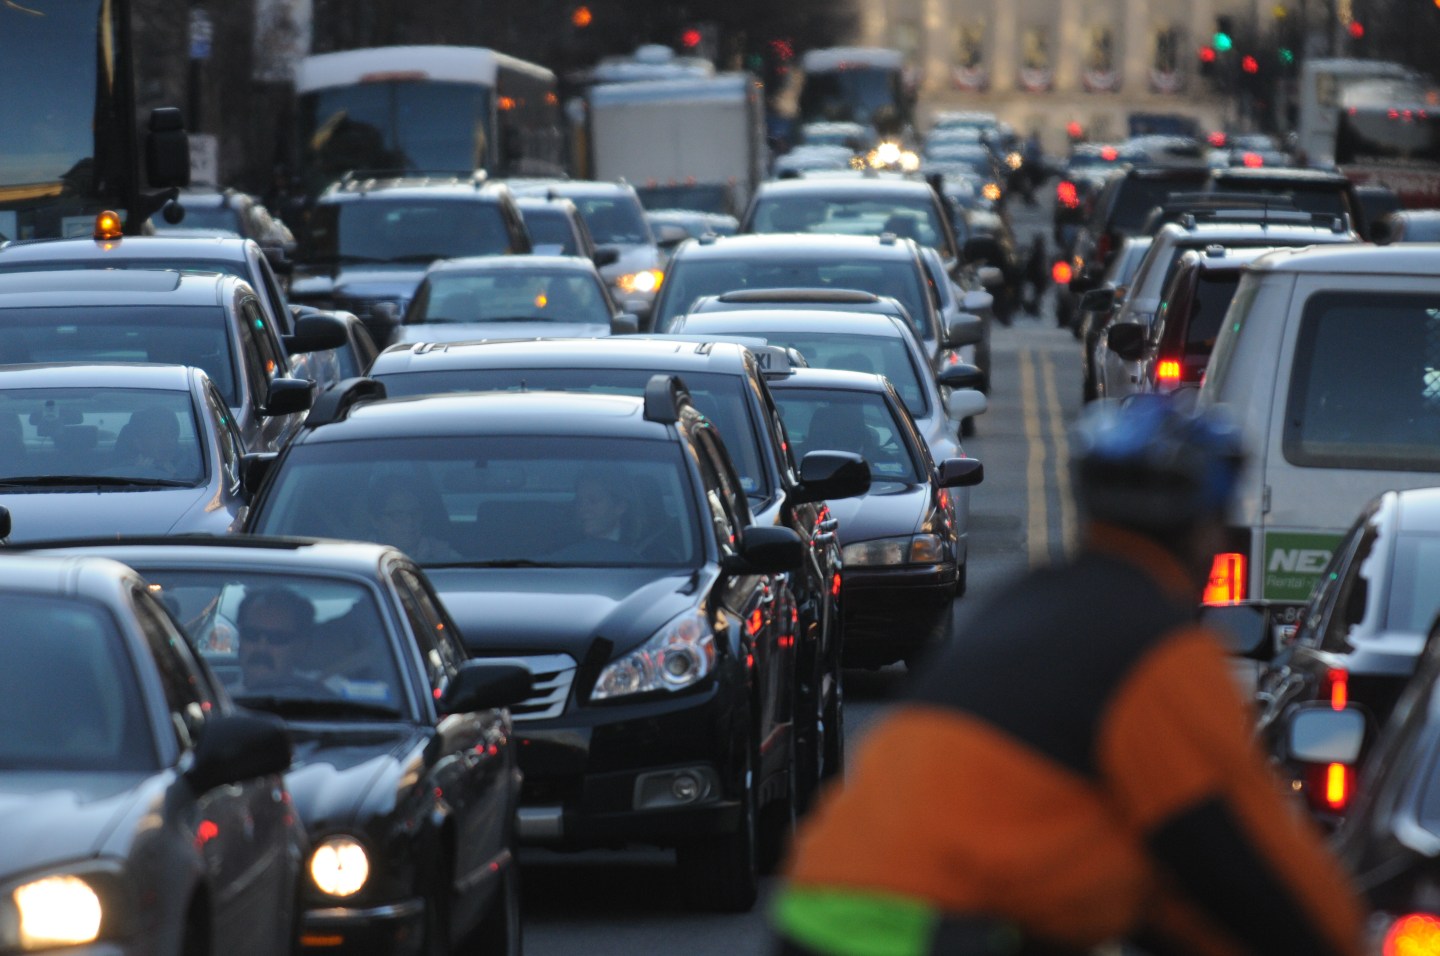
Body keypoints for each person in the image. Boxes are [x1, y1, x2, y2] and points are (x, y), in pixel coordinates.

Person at [771, 396, 1365, 956]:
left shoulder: (1028, 604)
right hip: (927, 930)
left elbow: (1144, 883)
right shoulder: (1160, 649)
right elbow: (1241, 854)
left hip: (817, 913)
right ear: (1206, 529)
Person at [236, 586, 315, 692]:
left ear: (300, 646)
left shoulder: (326, 701)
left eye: (277, 638)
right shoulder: (215, 701)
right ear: (240, 638)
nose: (261, 647)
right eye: (252, 634)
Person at [374, 486, 461, 563]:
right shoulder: (362, 557)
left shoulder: (445, 556)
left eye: (415, 513)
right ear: (376, 521)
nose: (410, 521)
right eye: (398, 515)